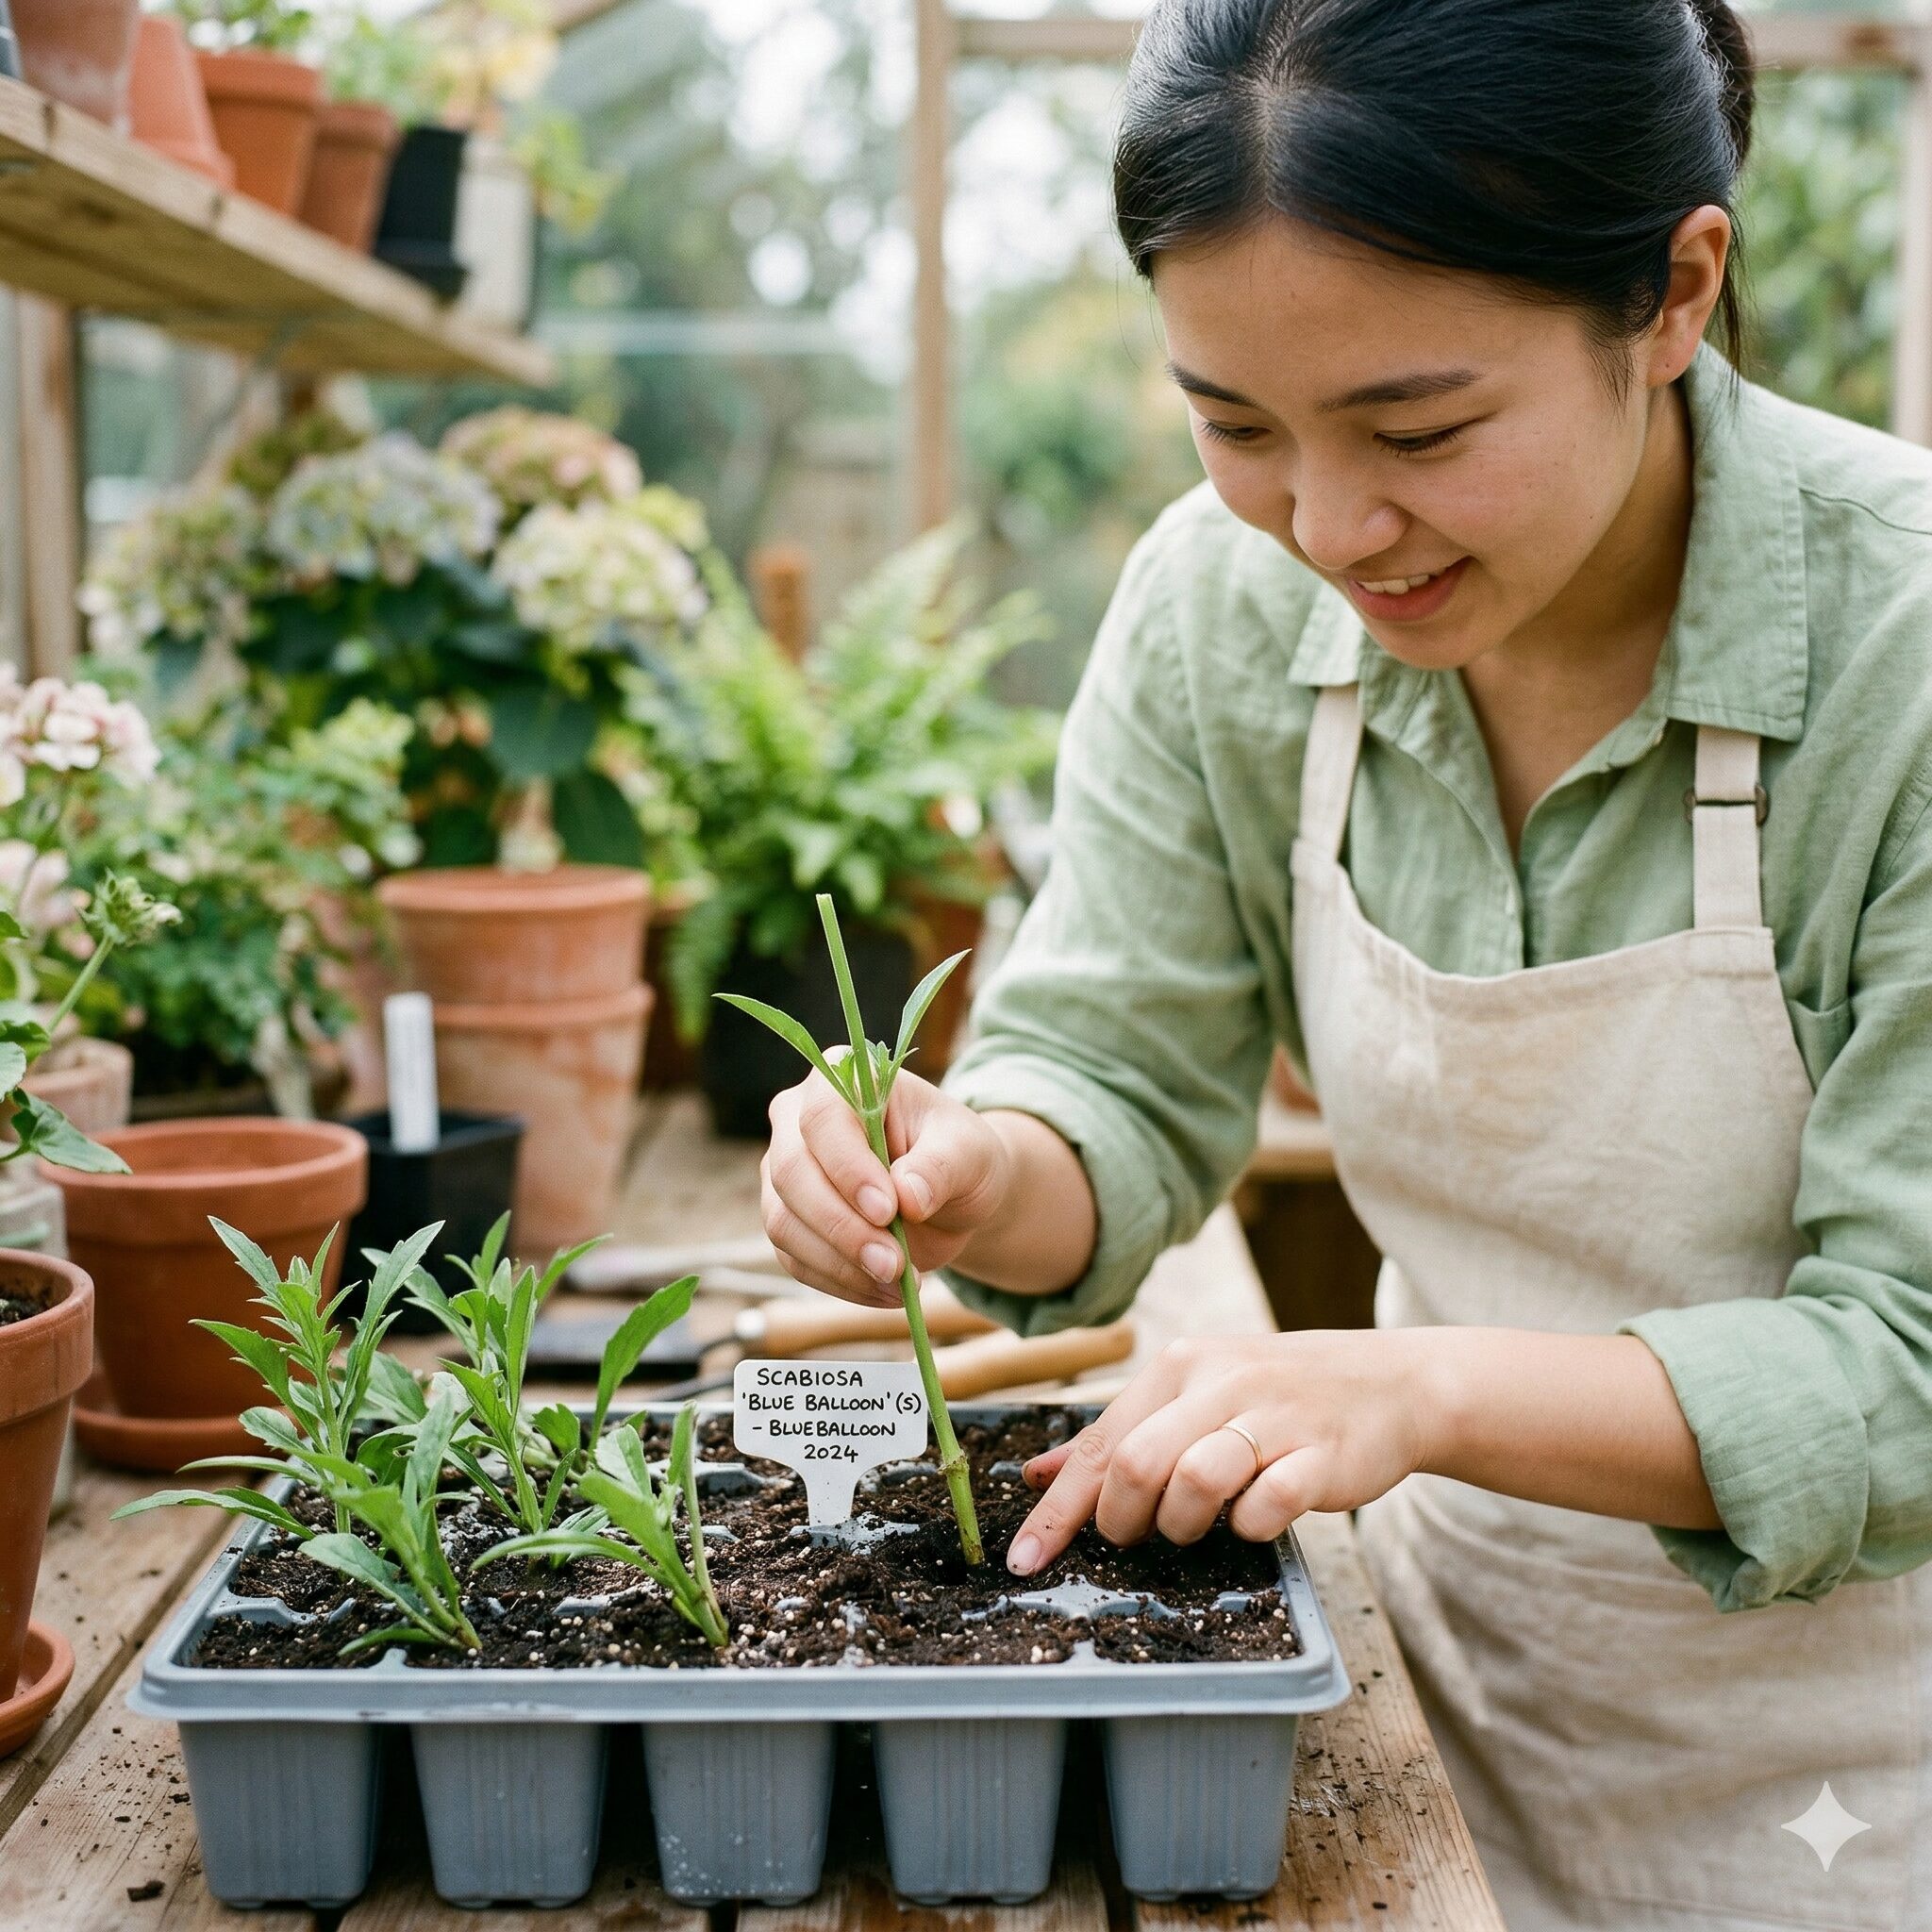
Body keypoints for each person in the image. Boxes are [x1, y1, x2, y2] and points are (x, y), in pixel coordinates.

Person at [758, 1, 1932, 1924]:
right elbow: (1117, 1080)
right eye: (1234, 424)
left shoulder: (1899, 643)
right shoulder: (1222, 608)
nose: (1325, 526)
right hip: (1414, 1691)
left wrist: (1419, 1392)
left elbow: (1911, 1364)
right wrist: (971, 1166)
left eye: (1419, 430)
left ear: (1673, 292)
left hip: (1858, 1773)